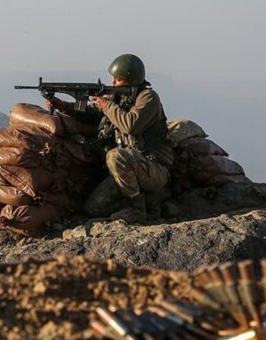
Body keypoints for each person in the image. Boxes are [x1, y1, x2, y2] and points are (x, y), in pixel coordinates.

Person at [46, 54, 174, 222]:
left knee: (114, 155)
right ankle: (146, 201)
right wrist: (64, 106)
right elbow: (93, 113)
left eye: (118, 80)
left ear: (131, 80)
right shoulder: (117, 98)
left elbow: (131, 125)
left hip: (152, 168)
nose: (113, 83)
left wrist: (107, 105)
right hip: (127, 169)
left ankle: (138, 209)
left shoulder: (148, 98)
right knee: (94, 208)